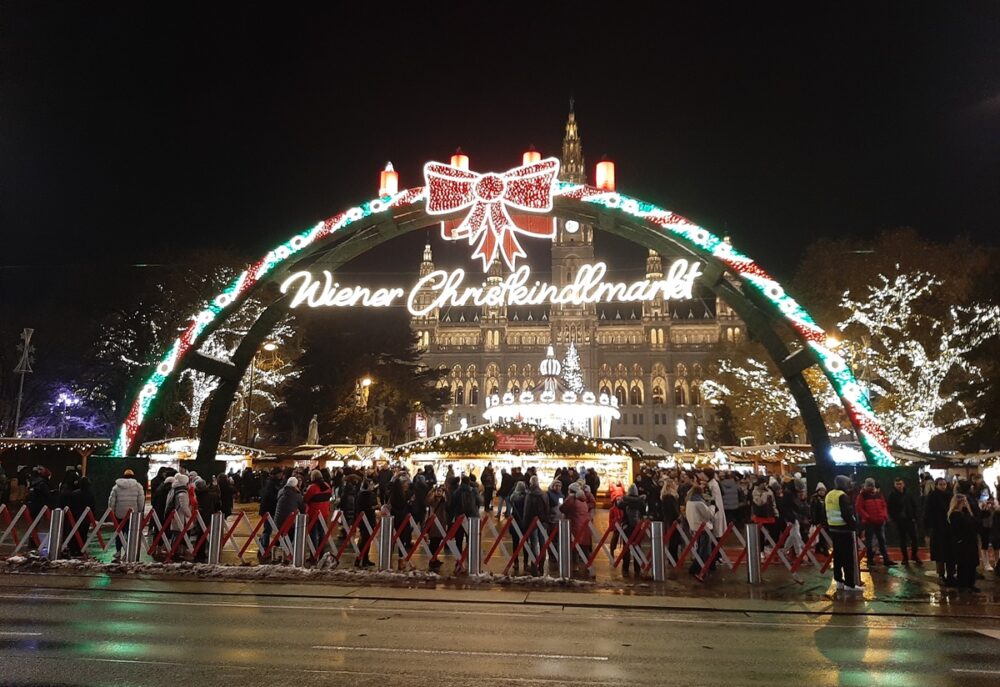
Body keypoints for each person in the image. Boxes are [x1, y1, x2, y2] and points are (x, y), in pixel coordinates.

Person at [826, 475, 862, 592]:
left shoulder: (829, 495)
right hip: (844, 530)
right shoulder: (842, 496)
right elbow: (847, 514)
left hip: (833, 529)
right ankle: (849, 584)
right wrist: (855, 526)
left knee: (838, 557)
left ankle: (839, 581)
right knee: (848, 558)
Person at [855, 478, 895, 567]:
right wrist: (867, 517)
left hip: (878, 521)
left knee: (881, 541)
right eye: (870, 486)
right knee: (871, 541)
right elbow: (858, 508)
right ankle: (871, 559)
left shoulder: (878, 494)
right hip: (870, 522)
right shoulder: (863, 495)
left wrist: (884, 515)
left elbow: (884, 505)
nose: (871, 488)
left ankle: (884, 559)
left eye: (872, 486)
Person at [924, 477, 955, 585]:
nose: (943, 486)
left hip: (949, 528)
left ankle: (951, 574)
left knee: (950, 553)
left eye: (944, 484)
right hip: (938, 528)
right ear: (936, 485)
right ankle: (941, 574)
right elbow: (928, 513)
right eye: (941, 484)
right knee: (940, 553)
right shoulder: (932, 497)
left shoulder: (949, 495)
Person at [108, 468, 145, 559]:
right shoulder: (138, 486)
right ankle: (128, 552)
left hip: (119, 514)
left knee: (119, 533)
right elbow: (141, 501)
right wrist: (140, 512)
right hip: (132, 515)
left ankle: (118, 551)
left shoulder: (116, 487)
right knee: (130, 534)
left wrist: (111, 511)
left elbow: (111, 501)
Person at [948, 493, 980, 591]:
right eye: (964, 501)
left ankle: (971, 583)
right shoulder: (954, 514)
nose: (966, 503)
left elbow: (975, 522)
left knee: (972, 563)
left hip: (970, 541)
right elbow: (965, 525)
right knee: (964, 564)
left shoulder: (964, 513)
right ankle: (963, 584)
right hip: (962, 542)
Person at [887, 478, 922, 564]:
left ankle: (914, 555)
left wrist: (914, 516)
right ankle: (905, 558)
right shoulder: (892, 495)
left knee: (914, 539)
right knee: (902, 540)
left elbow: (914, 505)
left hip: (910, 519)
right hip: (900, 521)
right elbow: (890, 508)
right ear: (894, 485)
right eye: (897, 484)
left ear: (903, 484)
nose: (899, 486)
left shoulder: (908, 494)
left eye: (900, 484)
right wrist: (895, 518)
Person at [685, 485, 715, 578]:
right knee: (705, 550)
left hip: (694, 527)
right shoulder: (699, 503)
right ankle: (700, 569)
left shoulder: (689, 502)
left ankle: (695, 568)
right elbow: (709, 515)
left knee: (700, 549)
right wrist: (712, 506)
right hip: (703, 528)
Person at [522, 475, 550, 575]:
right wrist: (546, 521)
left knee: (534, 543)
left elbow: (526, 511)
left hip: (532, 522)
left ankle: (534, 563)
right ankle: (542, 564)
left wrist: (525, 524)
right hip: (542, 521)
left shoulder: (529, 495)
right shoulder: (543, 494)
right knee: (543, 543)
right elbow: (547, 508)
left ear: (530, 483)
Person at [617, 485, 646, 576]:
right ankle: (637, 568)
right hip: (638, 527)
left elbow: (617, 505)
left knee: (626, 548)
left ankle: (625, 568)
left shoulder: (625, 501)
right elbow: (644, 512)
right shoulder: (641, 502)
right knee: (637, 547)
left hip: (627, 526)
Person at [273, 476, 306, 557]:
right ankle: (285, 555)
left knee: (279, 536)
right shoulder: (297, 495)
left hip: (277, 520)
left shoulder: (281, 491)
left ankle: (273, 550)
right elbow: (302, 508)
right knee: (290, 536)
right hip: (289, 522)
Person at [258, 469, 282, 557]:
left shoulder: (273, 482)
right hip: (268, 509)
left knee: (268, 528)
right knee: (267, 529)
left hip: (269, 509)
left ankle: (264, 544)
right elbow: (269, 496)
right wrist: (278, 497)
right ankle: (264, 547)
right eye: (280, 474)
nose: (281, 476)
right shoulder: (271, 483)